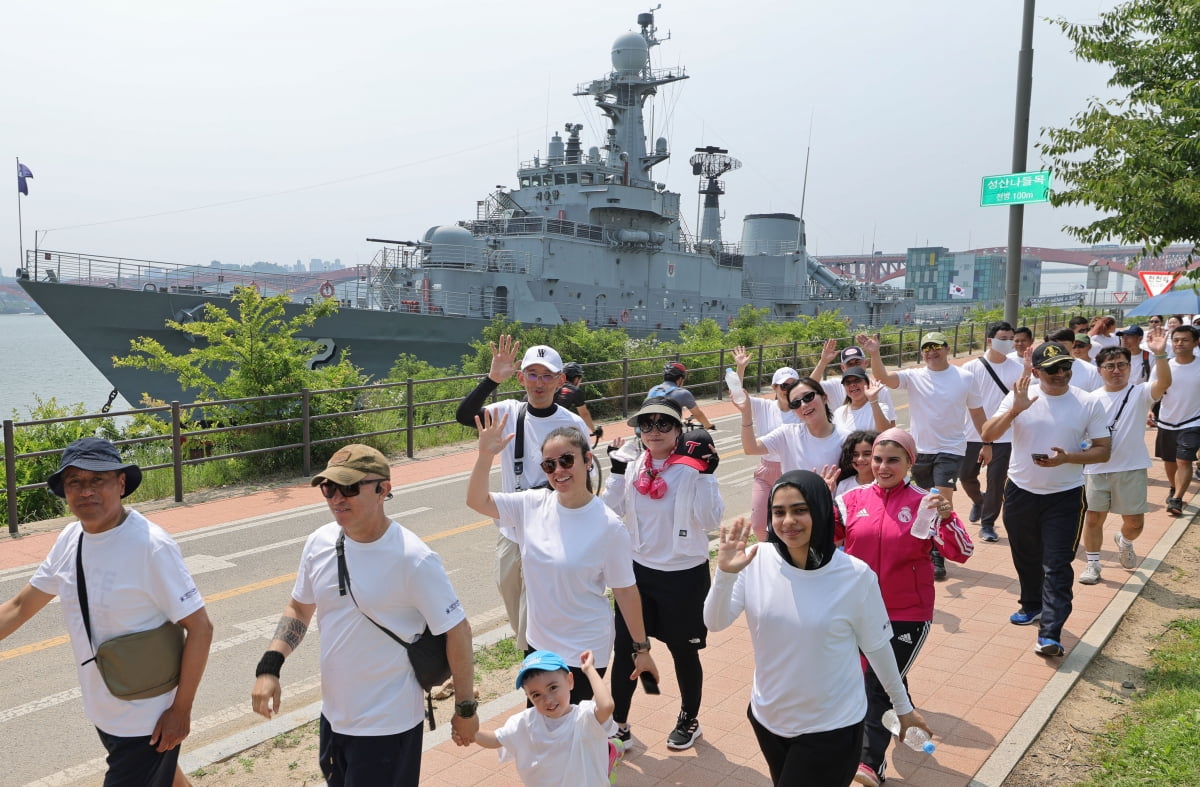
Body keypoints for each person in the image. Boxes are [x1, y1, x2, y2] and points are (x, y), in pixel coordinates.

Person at [252, 444, 477, 785]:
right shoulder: (319, 542)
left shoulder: (413, 558)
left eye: (350, 488)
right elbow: (300, 606)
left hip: (389, 725)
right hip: (335, 719)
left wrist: (465, 709)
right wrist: (270, 666)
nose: (337, 498)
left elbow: (457, 631)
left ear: (383, 489)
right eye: (329, 487)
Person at [0, 437, 213, 787]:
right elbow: (20, 607)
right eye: (75, 482)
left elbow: (201, 628)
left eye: (97, 479)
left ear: (121, 483)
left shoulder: (150, 545)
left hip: (147, 716)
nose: (86, 491)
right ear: (65, 491)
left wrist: (181, 710)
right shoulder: (70, 539)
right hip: (105, 706)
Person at [703, 471, 932, 787]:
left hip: (831, 727)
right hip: (768, 719)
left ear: (822, 511)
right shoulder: (755, 559)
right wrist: (725, 575)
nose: (788, 521)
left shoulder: (854, 576)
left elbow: (878, 647)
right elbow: (714, 623)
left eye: (800, 510)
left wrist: (903, 709)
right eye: (779, 512)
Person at [468, 418, 659, 706]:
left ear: (587, 460)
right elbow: (477, 500)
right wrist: (485, 456)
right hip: (539, 643)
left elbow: (625, 592)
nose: (558, 470)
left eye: (567, 460)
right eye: (549, 465)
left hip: (582, 652)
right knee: (540, 723)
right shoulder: (531, 505)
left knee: (568, 731)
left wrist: (641, 648)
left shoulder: (608, 526)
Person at [834, 428, 973, 787]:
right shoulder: (851, 500)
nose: (881, 466)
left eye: (893, 460)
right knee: (882, 675)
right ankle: (903, 712)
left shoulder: (925, 502)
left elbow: (962, 552)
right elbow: (821, 540)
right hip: (860, 611)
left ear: (911, 461)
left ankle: (868, 763)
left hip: (907, 612)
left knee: (876, 682)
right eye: (876, 459)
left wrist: (946, 518)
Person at [455, 335, 590, 652]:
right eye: (532, 374)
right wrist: (491, 380)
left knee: (534, 623)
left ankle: (538, 669)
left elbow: (583, 476)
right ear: (521, 377)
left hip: (550, 531)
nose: (539, 383)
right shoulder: (507, 412)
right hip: (511, 531)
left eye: (547, 376)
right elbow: (463, 415)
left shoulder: (571, 424)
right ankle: (534, 660)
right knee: (513, 601)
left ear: (559, 381)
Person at [602, 397, 723, 750]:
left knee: (683, 653)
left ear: (678, 430)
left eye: (664, 424)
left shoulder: (690, 468)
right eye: (647, 424)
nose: (654, 431)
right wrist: (615, 472)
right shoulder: (633, 463)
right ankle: (620, 725)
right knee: (626, 650)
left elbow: (711, 521)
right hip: (637, 575)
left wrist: (706, 476)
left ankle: (689, 719)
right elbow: (608, 514)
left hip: (684, 576)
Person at [981, 342, 1111, 657]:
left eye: (1066, 367)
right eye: (1053, 369)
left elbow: (1103, 450)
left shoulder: (1087, 402)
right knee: (1026, 555)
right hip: (1021, 492)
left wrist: (1069, 458)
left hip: (1064, 497)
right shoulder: (1019, 396)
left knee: (1057, 564)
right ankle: (1031, 604)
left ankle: (1050, 633)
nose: (1061, 374)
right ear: (1036, 372)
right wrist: (1015, 410)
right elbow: (987, 434)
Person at [864, 331, 987, 579]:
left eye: (936, 347)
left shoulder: (965, 377)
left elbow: (976, 412)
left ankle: (938, 557)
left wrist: (988, 442)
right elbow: (883, 377)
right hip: (920, 451)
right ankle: (928, 547)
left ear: (947, 349)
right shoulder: (914, 376)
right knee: (924, 504)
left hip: (951, 449)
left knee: (941, 502)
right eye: (926, 348)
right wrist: (875, 353)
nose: (931, 352)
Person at [1079, 334, 1172, 584]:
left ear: (1130, 368)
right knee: (1093, 517)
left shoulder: (1140, 392)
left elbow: (1163, 382)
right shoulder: (1090, 399)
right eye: (1110, 366)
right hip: (1096, 468)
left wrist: (1160, 354)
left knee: (1134, 523)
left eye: (1122, 365)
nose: (1116, 370)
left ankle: (1125, 541)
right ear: (1100, 370)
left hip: (1132, 467)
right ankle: (1093, 564)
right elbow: (1080, 434)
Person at [464, 650, 619, 787]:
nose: (548, 699)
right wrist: (472, 731)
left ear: (570, 681)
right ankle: (608, 751)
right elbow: (496, 739)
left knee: (596, 733)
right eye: (536, 695)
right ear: (528, 697)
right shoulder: (524, 722)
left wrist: (589, 669)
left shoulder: (585, 717)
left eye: (553, 687)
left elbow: (606, 706)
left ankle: (606, 752)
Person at [960, 321, 1024, 542]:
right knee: (966, 476)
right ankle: (979, 500)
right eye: (1003, 339)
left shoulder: (1017, 369)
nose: (1008, 343)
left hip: (1004, 435)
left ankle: (988, 524)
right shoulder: (970, 368)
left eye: (1011, 339)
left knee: (996, 481)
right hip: (972, 434)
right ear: (990, 341)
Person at [731, 347, 800, 541]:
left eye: (792, 385)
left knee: (791, 524)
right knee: (760, 526)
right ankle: (772, 556)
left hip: (793, 470)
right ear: (774, 388)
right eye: (783, 386)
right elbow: (738, 395)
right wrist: (740, 368)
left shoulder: (805, 409)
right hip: (766, 471)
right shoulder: (763, 406)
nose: (788, 389)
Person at [736, 376, 848, 482]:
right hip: (794, 502)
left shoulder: (846, 438)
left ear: (824, 398)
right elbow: (751, 448)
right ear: (793, 411)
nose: (803, 405)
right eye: (796, 403)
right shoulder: (787, 434)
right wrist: (746, 413)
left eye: (808, 397)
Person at [1153, 324, 1200, 517]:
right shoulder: (1165, 365)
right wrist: (1150, 409)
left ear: (1196, 342)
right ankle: (1174, 487)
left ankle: (1177, 499)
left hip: (1193, 421)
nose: (1179, 343)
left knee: (1183, 460)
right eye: (1176, 340)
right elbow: (1154, 390)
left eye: (1185, 340)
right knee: (1169, 461)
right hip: (1166, 420)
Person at [811, 341, 898, 425]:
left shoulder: (879, 388)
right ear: (843, 367)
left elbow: (891, 423)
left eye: (857, 362)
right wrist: (823, 362)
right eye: (849, 364)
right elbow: (809, 386)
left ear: (866, 363)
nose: (854, 367)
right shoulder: (835, 385)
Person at [647, 361, 716, 429]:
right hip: (665, 433)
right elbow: (698, 414)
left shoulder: (653, 390)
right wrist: (708, 425)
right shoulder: (683, 393)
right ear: (680, 379)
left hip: (646, 430)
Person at [832, 368, 894, 433]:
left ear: (867, 384)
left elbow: (885, 433)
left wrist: (873, 400)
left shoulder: (880, 407)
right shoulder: (838, 413)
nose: (852, 384)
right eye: (848, 383)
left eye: (857, 380)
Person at [555, 361, 601, 438]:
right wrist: (594, 430)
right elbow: (584, 414)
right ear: (576, 379)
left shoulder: (554, 385)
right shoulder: (575, 390)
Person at [833, 430, 878, 499]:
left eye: (867, 454)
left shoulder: (885, 484)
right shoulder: (844, 485)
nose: (860, 459)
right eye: (855, 455)